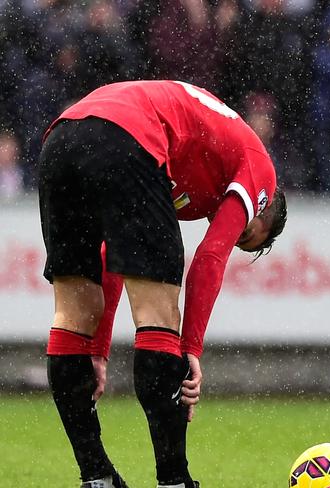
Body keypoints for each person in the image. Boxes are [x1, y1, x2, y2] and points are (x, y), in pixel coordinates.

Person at [38, 80, 288, 488]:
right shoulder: (262, 172)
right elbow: (209, 260)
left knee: (73, 312)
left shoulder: (194, 177)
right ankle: (174, 480)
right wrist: (190, 350)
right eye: (247, 233)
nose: (233, 229)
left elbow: (112, 256)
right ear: (263, 205)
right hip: (128, 134)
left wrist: (97, 351)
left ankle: (96, 475)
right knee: (158, 314)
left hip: (63, 136)